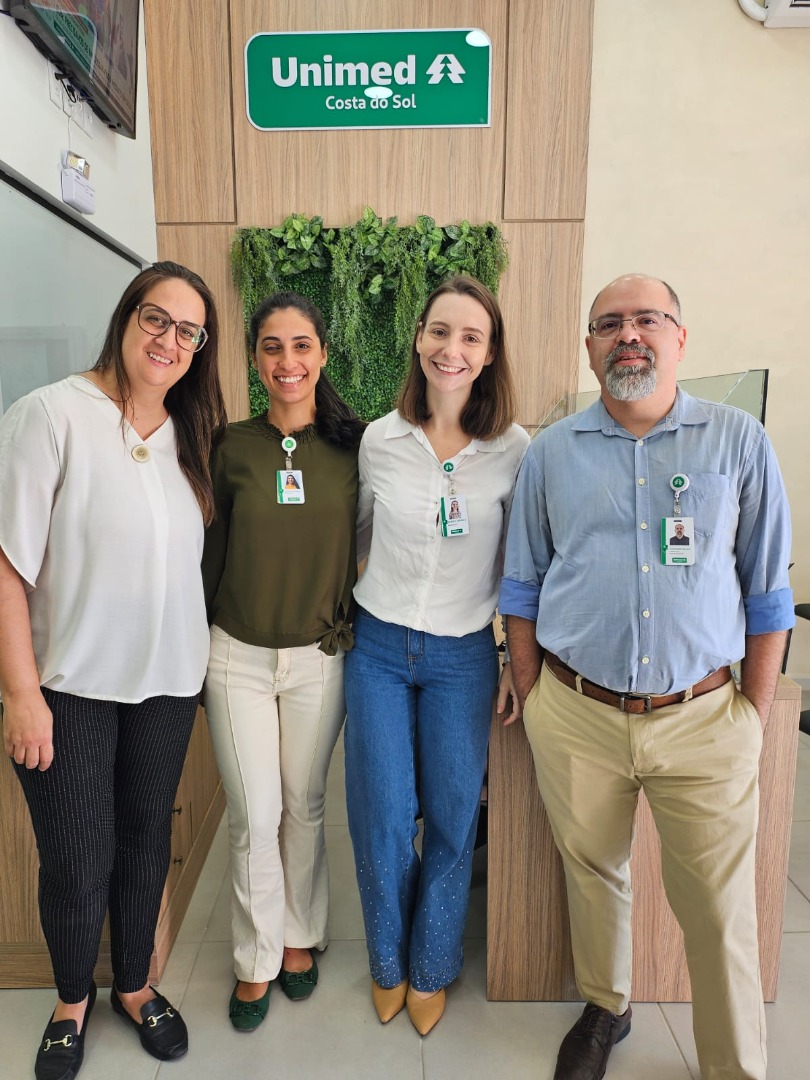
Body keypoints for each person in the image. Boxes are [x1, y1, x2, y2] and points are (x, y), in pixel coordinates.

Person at [500, 274, 793, 1080]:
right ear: (590, 347)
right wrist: (534, 690)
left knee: (720, 908)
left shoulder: (737, 441)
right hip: (577, 712)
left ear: (679, 338)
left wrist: (753, 713)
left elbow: (769, 592)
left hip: (704, 717)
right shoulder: (551, 452)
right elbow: (522, 583)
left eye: (647, 320)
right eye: (609, 324)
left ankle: (734, 1066)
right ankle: (607, 1005)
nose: (629, 335)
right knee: (594, 872)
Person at [0, 261, 227, 1079]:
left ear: (200, 349)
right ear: (127, 318)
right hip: (70, 688)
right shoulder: (51, 414)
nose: (169, 340)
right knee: (75, 857)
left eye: (188, 331)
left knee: (142, 841)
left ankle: (134, 986)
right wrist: (20, 695)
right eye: (156, 319)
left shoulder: (189, 436)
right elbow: (7, 567)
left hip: (166, 684)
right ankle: (72, 1002)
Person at [344, 275, 529, 1036]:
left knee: (453, 817)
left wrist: (516, 660)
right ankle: (387, 961)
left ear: (488, 355)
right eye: (441, 332)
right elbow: (355, 537)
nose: (452, 349)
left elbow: (520, 567)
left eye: (470, 337)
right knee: (383, 815)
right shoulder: (379, 440)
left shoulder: (514, 450)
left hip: (464, 655)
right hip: (379, 649)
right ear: (419, 339)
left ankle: (430, 965)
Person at [202, 291, 364, 1032]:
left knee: (304, 805)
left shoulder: (356, 449)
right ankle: (256, 957)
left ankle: (300, 935)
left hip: (319, 656)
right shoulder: (228, 446)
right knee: (254, 813)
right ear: (254, 358)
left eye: (301, 345)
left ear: (323, 354)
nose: (287, 361)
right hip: (234, 655)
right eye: (272, 346)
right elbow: (208, 556)